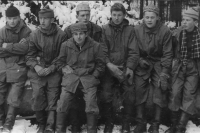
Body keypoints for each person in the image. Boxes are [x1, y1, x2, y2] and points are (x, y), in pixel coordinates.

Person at [54, 22, 105, 133]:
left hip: (88, 78)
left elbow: (101, 64)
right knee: (63, 101)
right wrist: (64, 68)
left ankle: (91, 130)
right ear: (72, 35)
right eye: (75, 34)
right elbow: (59, 62)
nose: (78, 37)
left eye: (81, 33)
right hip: (71, 78)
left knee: (91, 103)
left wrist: (94, 75)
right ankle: (59, 130)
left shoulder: (95, 46)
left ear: (86, 34)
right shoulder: (66, 45)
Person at [26, 5, 66, 133]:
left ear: (52, 19)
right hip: (38, 71)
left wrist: (53, 68)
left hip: (54, 70)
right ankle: (41, 123)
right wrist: (36, 66)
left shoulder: (61, 35)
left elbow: (63, 56)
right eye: (40, 18)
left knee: (53, 95)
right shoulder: (34, 34)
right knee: (37, 94)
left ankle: (50, 125)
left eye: (46, 18)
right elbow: (29, 56)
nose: (42, 21)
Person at [100, 3, 139, 133]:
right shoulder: (105, 29)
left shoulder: (130, 30)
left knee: (129, 92)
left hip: (124, 67)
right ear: (111, 15)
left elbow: (134, 52)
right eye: (114, 15)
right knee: (106, 93)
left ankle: (126, 122)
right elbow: (102, 52)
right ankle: (109, 121)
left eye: (119, 15)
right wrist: (109, 65)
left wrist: (130, 67)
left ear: (124, 15)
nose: (117, 18)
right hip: (109, 68)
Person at [133, 5, 173, 133]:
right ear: (143, 18)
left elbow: (168, 53)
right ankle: (141, 122)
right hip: (143, 62)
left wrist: (165, 72)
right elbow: (133, 50)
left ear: (158, 18)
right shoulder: (137, 30)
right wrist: (139, 60)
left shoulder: (165, 31)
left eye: (152, 17)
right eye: (147, 17)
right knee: (138, 87)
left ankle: (156, 123)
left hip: (159, 62)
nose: (149, 20)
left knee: (161, 88)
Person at [64, 2, 102, 132]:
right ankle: (75, 123)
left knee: (93, 94)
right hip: (74, 70)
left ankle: (92, 124)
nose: (85, 18)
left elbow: (101, 53)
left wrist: (95, 73)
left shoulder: (97, 30)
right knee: (71, 92)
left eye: (87, 15)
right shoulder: (69, 30)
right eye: (82, 15)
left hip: (90, 69)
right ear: (77, 16)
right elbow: (64, 51)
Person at [166, 8, 200, 133]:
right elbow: (170, 51)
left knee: (189, 95)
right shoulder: (177, 34)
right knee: (174, 93)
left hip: (194, 68)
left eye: (188, 20)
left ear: (195, 21)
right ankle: (173, 124)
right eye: (183, 19)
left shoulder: (199, 35)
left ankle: (181, 126)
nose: (184, 22)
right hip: (179, 66)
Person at [0, 4, 31, 133]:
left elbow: (25, 48)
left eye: (14, 18)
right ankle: (1, 120)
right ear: (6, 19)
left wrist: (6, 46)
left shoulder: (26, 31)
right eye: (10, 18)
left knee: (14, 96)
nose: (12, 21)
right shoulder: (2, 31)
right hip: (3, 66)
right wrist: (15, 48)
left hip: (19, 66)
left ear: (19, 18)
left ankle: (8, 123)